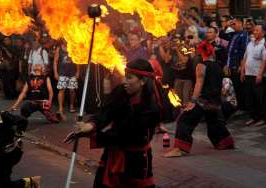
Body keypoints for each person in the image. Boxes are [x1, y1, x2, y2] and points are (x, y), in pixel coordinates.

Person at [64, 59, 161, 188]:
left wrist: (91, 135)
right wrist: (90, 125)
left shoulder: (151, 108)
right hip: (112, 154)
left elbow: (125, 136)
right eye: (125, 77)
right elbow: (106, 113)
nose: (124, 82)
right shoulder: (121, 92)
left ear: (142, 81)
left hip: (135, 160)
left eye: (129, 78)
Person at [164, 40, 235, 157]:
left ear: (201, 52)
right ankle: (225, 143)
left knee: (184, 119)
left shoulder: (201, 65)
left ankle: (180, 149)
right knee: (214, 122)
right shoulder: (219, 65)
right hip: (214, 102)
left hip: (203, 101)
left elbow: (199, 84)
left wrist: (192, 101)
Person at [240, 25, 266, 126]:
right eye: (254, 30)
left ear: (263, 33)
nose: (254, 32)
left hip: (258, 75)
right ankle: (253, 117)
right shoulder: (250, 43)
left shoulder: (264, 44)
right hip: (248, 74)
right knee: (249, 97)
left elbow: (264, 60)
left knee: (260, 98)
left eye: (257, 30)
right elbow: (245, 57)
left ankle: (263, 118)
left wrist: (260, 74)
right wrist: (242, 71)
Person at [53, 39, 79, 121]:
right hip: (62, 73)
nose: (66, 40)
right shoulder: (59, 49)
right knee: (62, 90)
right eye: (64, 38)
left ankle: (71, 105)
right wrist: (55, 73)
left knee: (72, 90)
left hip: (72, 73)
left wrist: (78, 71)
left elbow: (77, 61)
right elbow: (55, 61)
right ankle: (60, 108)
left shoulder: (73, 47)